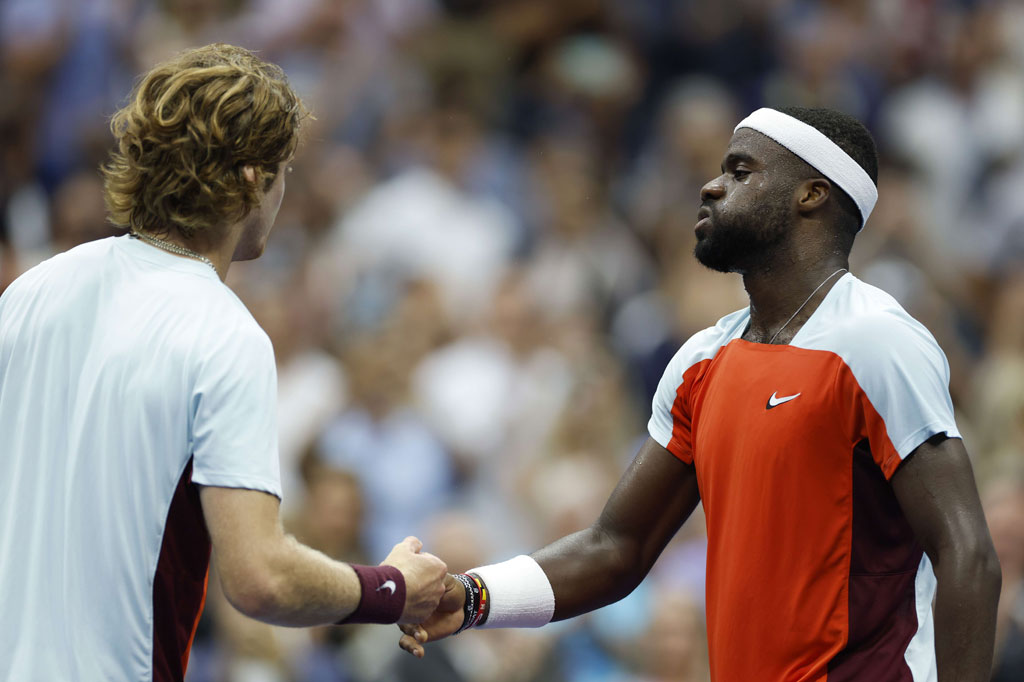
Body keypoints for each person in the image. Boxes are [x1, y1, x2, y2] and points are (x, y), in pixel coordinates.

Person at [398, 107, 1002, 681]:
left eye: (740, 171)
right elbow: (616, 546)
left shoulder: (879, 341)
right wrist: (471, 597)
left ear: (811, 194)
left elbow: (966, 553)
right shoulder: (700, 361)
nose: (712, 187)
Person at [0, 43, 447, 682]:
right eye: (284, 171)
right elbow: (260, 577)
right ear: (252, 178)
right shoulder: (225, 335)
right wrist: (391, 588)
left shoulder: (31, 291)